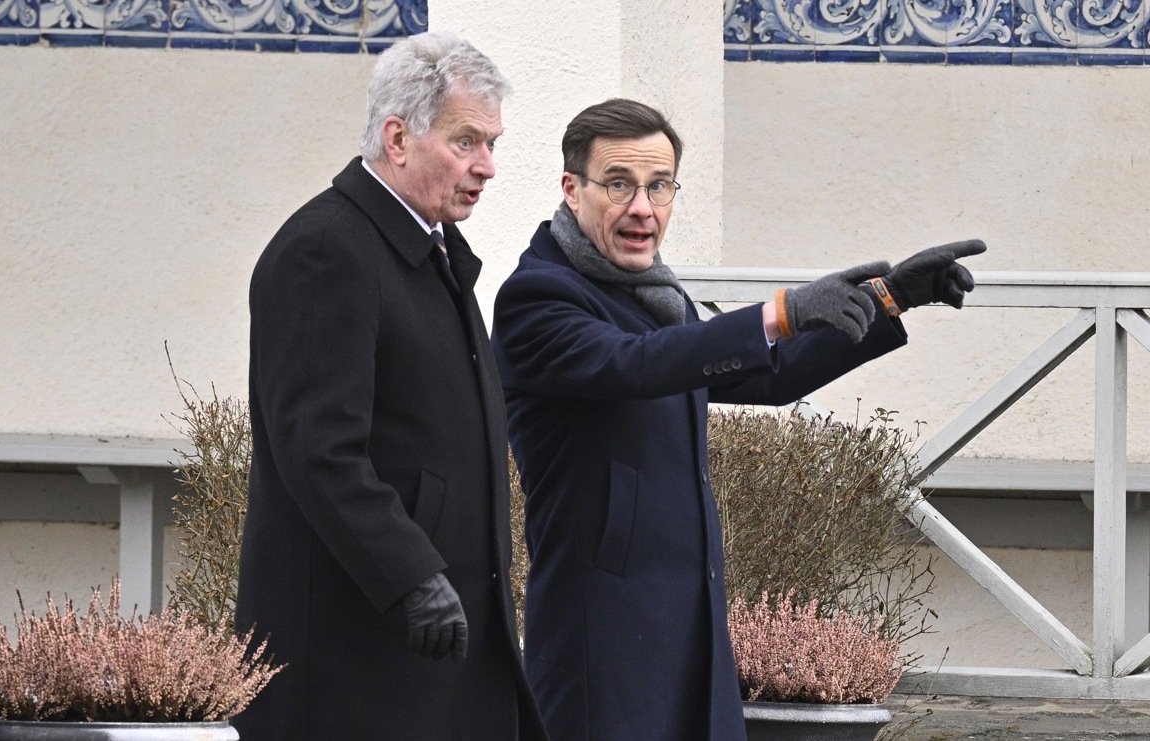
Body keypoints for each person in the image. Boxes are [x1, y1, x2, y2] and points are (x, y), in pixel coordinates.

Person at [490, 97, 985, 741]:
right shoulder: (538, 297)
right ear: (571, 189)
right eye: (618, 184)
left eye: (659, 185)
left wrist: (890, 299)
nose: (642, 207)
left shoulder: (652, 295)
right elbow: (636, 365)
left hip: (692, 621)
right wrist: (780, 312)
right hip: (601, 638)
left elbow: (766, 376)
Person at [234, 31, 547, 741]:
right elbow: (319, 450)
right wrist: (411, 575)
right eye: (466, 141)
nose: (487, 166)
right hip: (358, 659)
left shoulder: (429, 246)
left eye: (491, 143)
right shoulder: (326, 248)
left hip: (429, 652)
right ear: (398, 138)